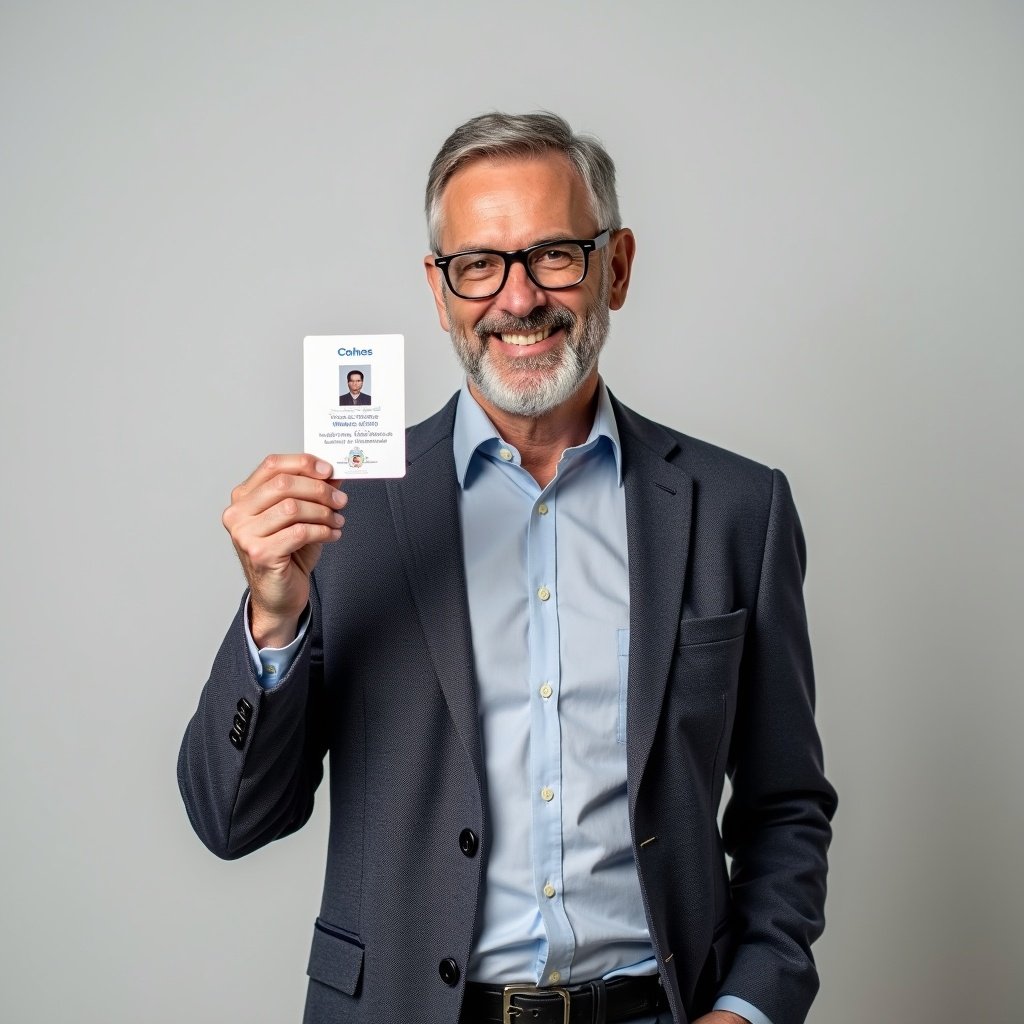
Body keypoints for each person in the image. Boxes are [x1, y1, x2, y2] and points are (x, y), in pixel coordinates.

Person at [179, 111, 836, 1024]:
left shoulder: (738, 511)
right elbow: (231, 819)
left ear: (617, 266)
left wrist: (750, 1007)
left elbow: (786, 805)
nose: (517, 299)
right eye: (478, 264)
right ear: (440, 291)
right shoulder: (344, 517)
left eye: (554, 254)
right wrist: (272, 620)